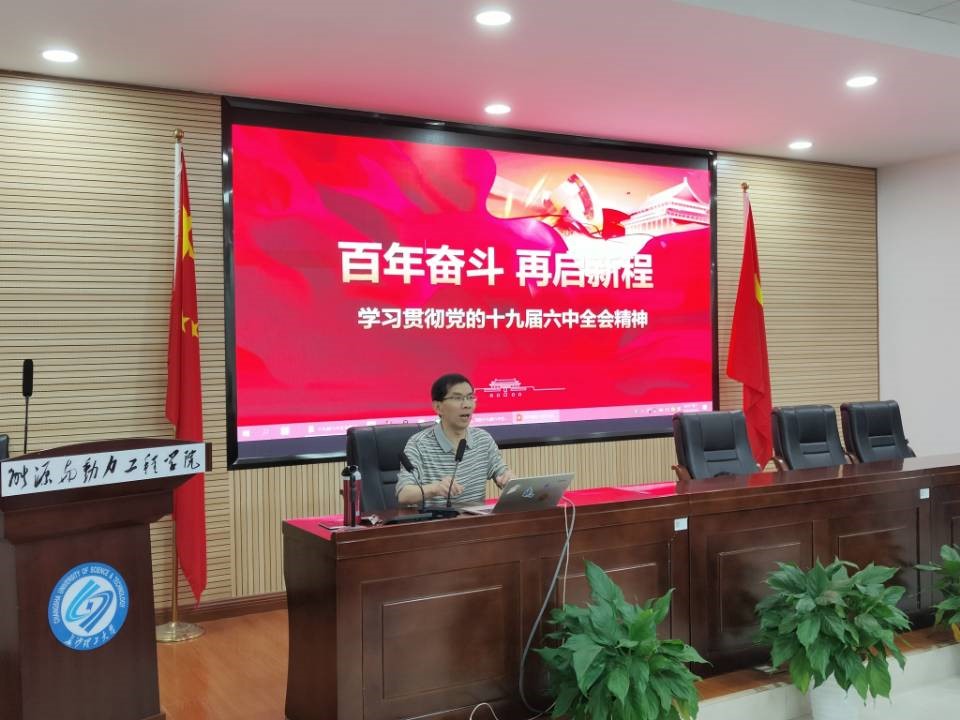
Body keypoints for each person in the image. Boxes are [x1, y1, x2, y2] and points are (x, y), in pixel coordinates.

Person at [396, 373, 513, 508]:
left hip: (475, 519)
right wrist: (435, 488)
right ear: (438, 407)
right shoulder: (418, 444)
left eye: (470, 397)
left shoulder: (483, 439)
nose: (467, 405)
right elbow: (404, 494)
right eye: (458, 398)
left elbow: (502, 473)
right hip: (436, 520)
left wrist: (508, 480)